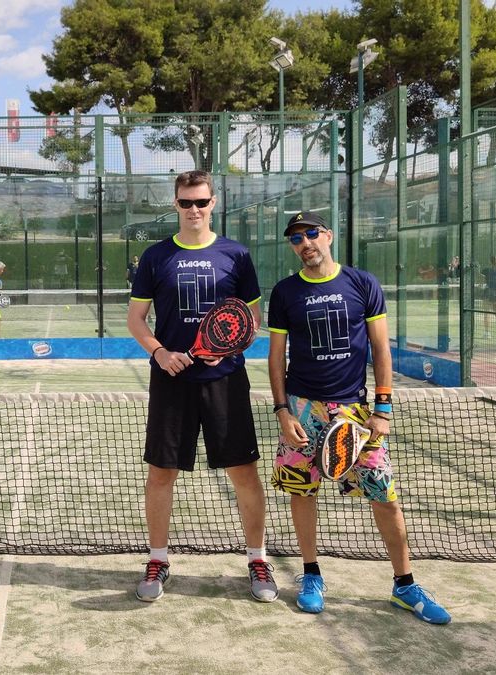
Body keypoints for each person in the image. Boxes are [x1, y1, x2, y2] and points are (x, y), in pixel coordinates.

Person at [267, 211, 451, 624]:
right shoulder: (284, 293)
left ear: (328, 236)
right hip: (300, 409)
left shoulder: (362, 283)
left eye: (312, 233)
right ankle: (311, 576)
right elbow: (276, 357)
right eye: (296, 238)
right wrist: (282, 410)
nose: (306, 243)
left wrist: (383, 409)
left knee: (384, 496)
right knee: (302, 493)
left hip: (356, 411)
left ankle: (405, 585)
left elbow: (381, 350)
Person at [126, 170, 276, 604]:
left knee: (243, 472)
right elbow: (136, 319)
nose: (194, 210)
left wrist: (224, 348)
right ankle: (158, 558)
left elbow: (253, 321)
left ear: (214, 203)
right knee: (161, 473)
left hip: (225, 379)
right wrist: (159, 352)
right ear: (175, 205)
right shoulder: (155, 257)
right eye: (186, 203)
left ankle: (257, 559)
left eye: (202, 202)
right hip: (171, 379)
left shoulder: (237, 255)